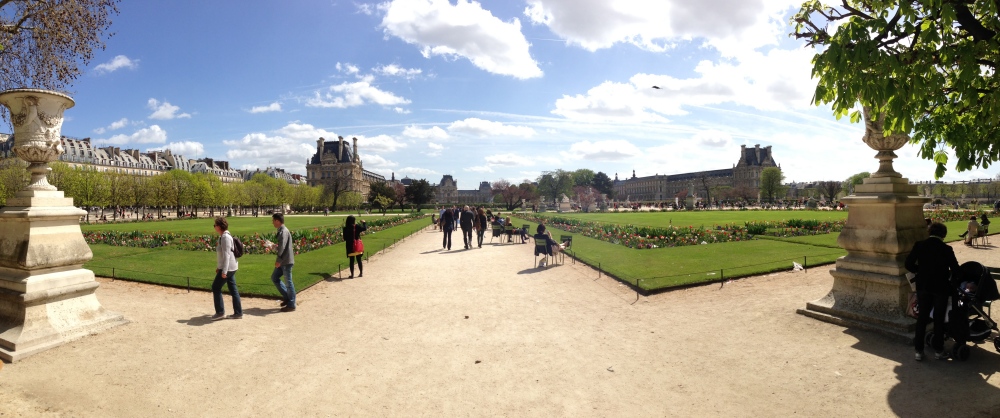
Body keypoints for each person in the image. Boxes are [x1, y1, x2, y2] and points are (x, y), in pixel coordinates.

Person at [905, 221, 961, 361]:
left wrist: (920, 271)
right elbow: (956, 270)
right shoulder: (946, 249)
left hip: (923, 285)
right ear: (943, 234)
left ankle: (918, 351)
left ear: (929, 232)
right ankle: (938, 350)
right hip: (940, 287)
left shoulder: (920, 245)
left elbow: (908, 264)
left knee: (922, 318)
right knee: (938, 319)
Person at [211, 217, 242, 320]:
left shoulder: (225, 237)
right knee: (233, 289)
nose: (214, 227)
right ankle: (238, 313)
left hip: (228, 268)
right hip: (230, 267)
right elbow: (223, 256)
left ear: (219, 226)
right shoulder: (223, 236)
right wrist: (219, 267)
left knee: (216, 287)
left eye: (215, 225)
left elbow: (227, 255)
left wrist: (223, 271)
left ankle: (220, 312)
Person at [269, 213, 296, 312]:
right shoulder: (282, 230)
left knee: (288, 282)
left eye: (273, 221)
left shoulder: (283, 231)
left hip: (285, 261)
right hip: (285, 260)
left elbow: (282, 248)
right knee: (274, 278)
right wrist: (273, 246)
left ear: (277, 221)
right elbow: (281, 247)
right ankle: (288, 298)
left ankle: (291, 304)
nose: (272, 223)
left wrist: (278, 261)